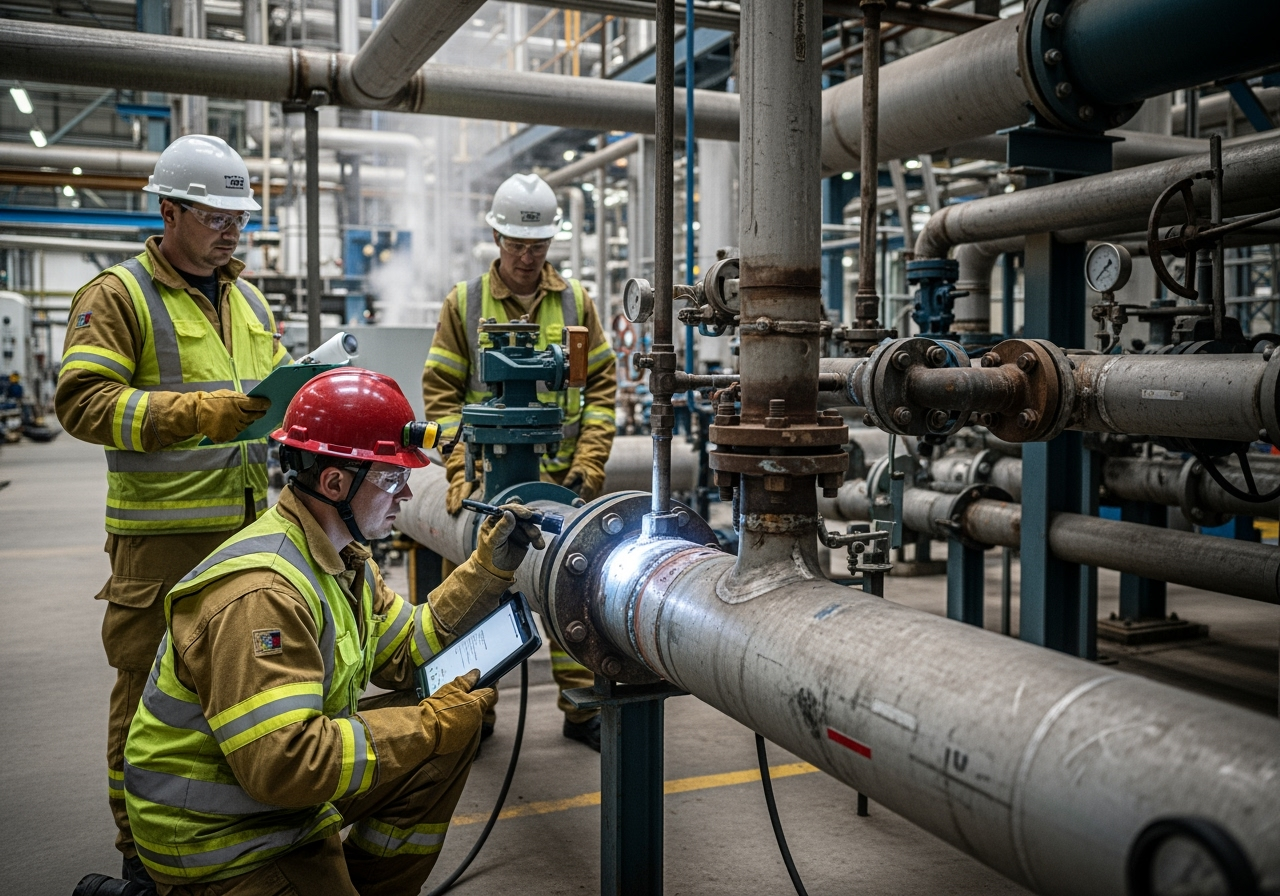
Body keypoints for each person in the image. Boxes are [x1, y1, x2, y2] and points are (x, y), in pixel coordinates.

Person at [118, 368, 543, 895]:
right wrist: (429, 724)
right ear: (335, 482)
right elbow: (285, 764)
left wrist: (486, 570)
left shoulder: (341, 557)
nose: (407, 493)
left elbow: (408, 649)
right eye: (391, 478)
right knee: (437, 728)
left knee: (444, 733)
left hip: (269, 797)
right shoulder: (265, 594)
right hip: (220, 837)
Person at [56, 134, 289, 884]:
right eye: (216, 214)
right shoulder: (116, 296)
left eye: (239, 215)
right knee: (148, 693)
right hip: (162, 545)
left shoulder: (249, 298)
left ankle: (225, 829)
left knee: (239, 685)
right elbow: (83, 403)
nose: (231, 229)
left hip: (249, 533)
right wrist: (198, 413)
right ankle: (140, 859)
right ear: (169, 211)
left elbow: (271, 391)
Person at [422, 171, 617, 751]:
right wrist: (459, 471)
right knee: (483, 591)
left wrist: (590, 463)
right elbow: (441, 394)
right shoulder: (466, 304)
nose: (529, 256)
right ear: (497, 238)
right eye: (518, 244)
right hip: (491, 480)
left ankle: (581, 709)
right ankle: (473, 709)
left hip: (562, 476)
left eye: (539, 245)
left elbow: (602, 387)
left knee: (571, 586)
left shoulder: (576, 302)